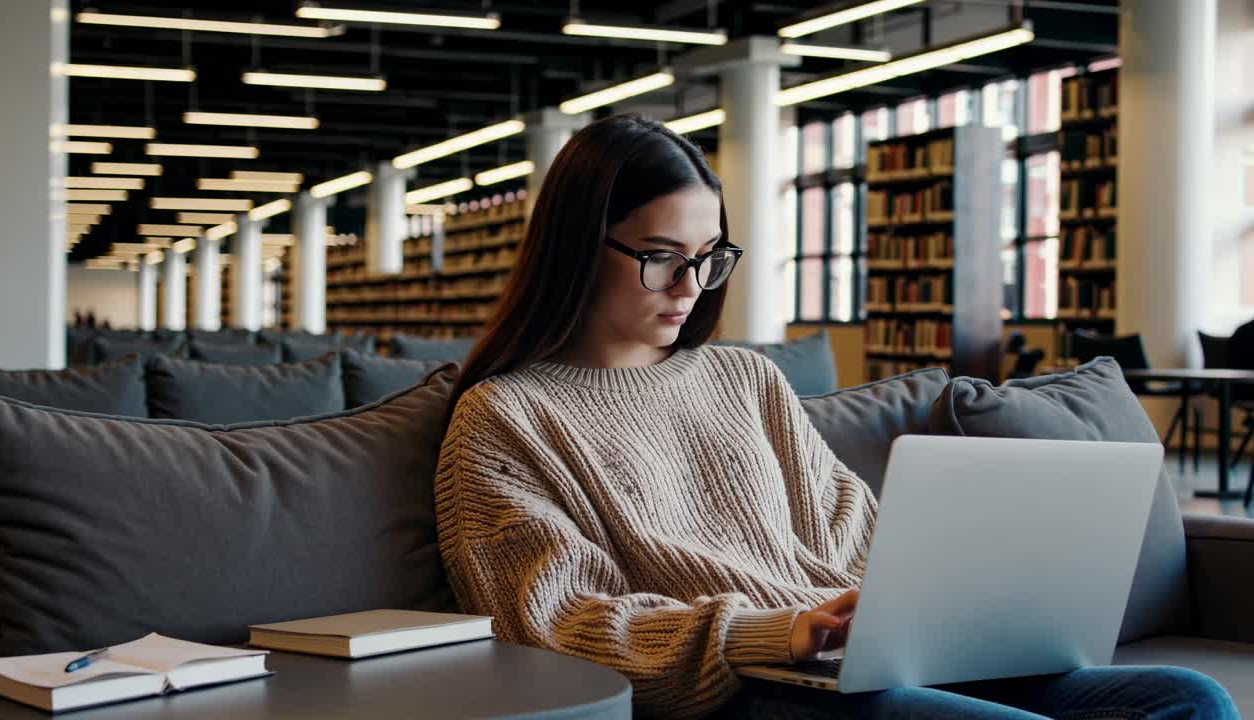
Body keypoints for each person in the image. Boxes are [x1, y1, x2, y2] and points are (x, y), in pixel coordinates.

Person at [434, 114, 1237, 719]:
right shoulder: (505, 420)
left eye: (710, 258)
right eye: (661, 257)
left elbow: (853, 532)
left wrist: (928, 606)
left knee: (1187, 698)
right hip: (743, 689)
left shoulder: (745, 378)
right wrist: (774, 634)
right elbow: (556, 625)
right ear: (578, 247)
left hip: (862, 662)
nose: (691, 287)